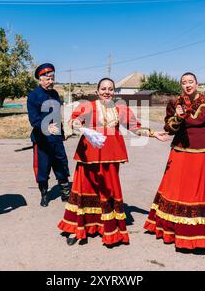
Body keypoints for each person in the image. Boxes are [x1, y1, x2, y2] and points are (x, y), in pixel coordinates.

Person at [58, 77, 167, 247]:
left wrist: (153, 134)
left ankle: (107, 228)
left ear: (114, 92)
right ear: (97, 91)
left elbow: (134, 127)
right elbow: (73, 120)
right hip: (88, 155)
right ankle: (77, 228)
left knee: (109, 191)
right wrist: (78, 123)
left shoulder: (121, 109)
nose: (106, 92)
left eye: (110, 89)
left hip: (111, 156)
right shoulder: (88, 106)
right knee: (83, 189)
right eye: (103, 89)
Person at [143, 72, 205, 250]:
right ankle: (173, 227)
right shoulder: (174, 103)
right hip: (181, 152)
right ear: (181, 85)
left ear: (196, 83)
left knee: (202, 190)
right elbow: (169, 128)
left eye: (190, 82)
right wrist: (177, 117)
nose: (188, 85)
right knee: (179, 189)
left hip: (204, 153)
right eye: (184, 82)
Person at [27, 63, 71, 207]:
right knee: (43, 167)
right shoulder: (33, 96)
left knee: (61, 164)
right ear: (40, 79)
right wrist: (46, 126)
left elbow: (57, 115)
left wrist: (62, 132)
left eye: (52, 78)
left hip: (56, 138)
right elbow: (34, 120)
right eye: (47, 79)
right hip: (42, 139)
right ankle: (44, 195)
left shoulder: (55, 94)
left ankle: (65, 193)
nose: (51, 81)